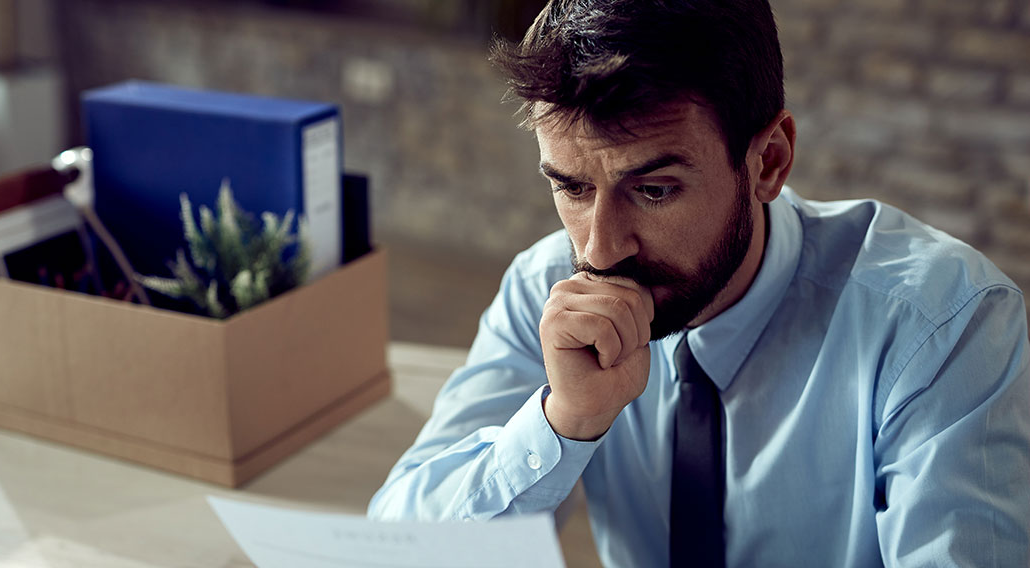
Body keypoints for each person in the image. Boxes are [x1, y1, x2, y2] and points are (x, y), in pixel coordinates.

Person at [367, 0, 1030, 565]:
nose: (599, 249)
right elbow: (394, 548)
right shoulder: (546, 287)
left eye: (654, 190)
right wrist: (563, 423)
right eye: (571, 188)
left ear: (767, 161)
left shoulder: (942, 323)